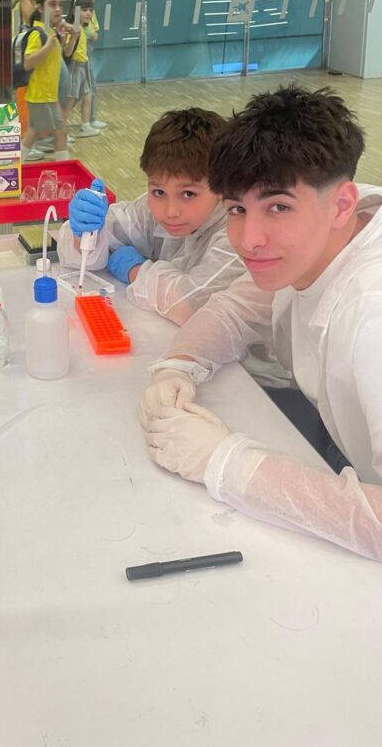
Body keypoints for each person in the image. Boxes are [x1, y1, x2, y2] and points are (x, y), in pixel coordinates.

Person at [140, 86, 382, 562]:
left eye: (278, 207)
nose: (249, 239)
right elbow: (235, 309)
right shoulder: (340, 224)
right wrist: (178, 366)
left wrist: (227, 464)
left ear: (341, 204)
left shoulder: (371, 315)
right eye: (236, 209)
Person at [57, 108, 246, 325]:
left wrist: (135, 271)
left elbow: (193, 306)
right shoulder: (150, 209)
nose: (170, 211)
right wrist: (83, 234)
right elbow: (108, 231)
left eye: (188, 194)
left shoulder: (239, 233)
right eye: (158, 192)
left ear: (222, 186)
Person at [19, 0, 76, 164]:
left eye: (60, 5)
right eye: (52, 4)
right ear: (40, 8)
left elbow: (64, 55)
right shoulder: (38, 34)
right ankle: (12, 167)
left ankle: (12, 167)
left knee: (44, 132)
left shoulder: (51, 32)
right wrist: (47, 47)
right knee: (55, 132)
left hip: (47, 95)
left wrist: (71, 37)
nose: (58, 9)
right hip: (40, 96)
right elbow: (28, 62)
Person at [72, 0, 108, 129]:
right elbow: (83, 29)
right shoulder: (79, 10)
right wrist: (91, 34)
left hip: (88, 50)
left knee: (88, 87)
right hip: (82, 52)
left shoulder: (90, 9)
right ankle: (88, 120)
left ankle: (90, 119)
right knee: (85, 88)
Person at [64, 0, 100, 139]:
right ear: (75, 11)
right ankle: (60, 131)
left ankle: (85, 125)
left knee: (87, 94)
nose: (88, 13)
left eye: (90, 10)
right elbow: (67, 51)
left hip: (83, 65)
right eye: (84, 10)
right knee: (70, 99)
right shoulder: (72, 29)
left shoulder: (83, 28)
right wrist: (73, 35)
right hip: (74, 66)